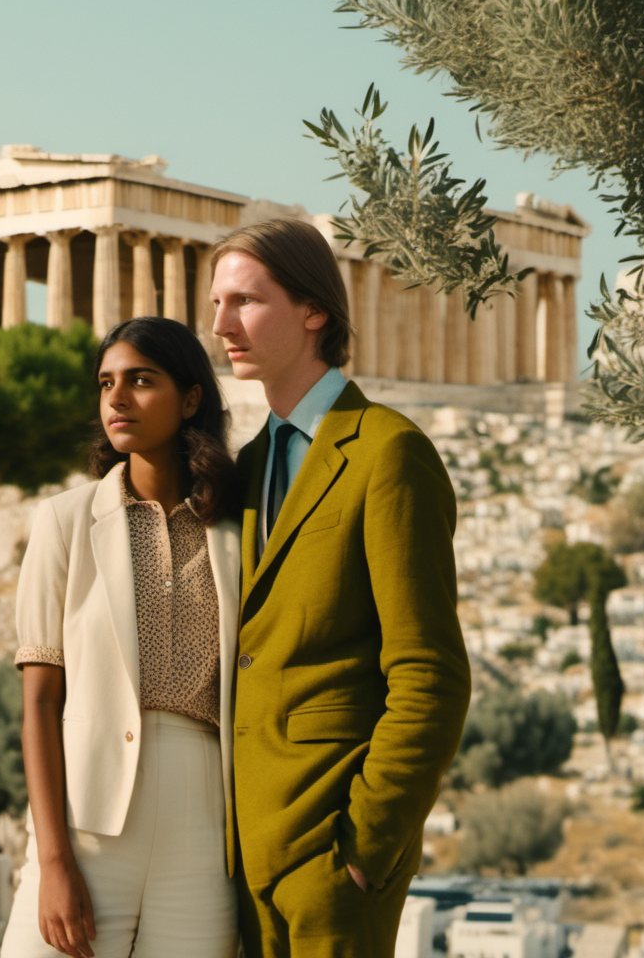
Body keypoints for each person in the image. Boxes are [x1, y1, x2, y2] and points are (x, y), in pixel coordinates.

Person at [209, 218, 472, 958]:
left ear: (314, 310)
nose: (222, 323)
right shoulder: (249, 463)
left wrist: (364, 847)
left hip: (332, 858)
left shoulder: (389, 452)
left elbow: (431, 676)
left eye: (246, 301)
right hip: (239, 857)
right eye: (217, 303)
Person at [0, 316, 241, 958]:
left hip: (204, 833)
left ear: (191, 398)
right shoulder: (64, 521)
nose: (117, 398)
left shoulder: (241, 530)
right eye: (106, 383)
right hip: (87, 825)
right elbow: (40, 703)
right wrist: (53, 862)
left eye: (141, 380)